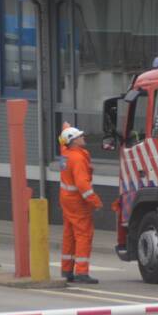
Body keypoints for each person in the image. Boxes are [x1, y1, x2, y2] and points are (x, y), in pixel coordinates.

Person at [59, 122, 103, 284]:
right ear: (73, 141)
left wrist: (66, 128)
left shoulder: (66, 153)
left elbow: (62, 143)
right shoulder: (77, 159)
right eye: (79, 136)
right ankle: (82, 272)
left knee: (69, 234)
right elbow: (83, 185)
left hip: (66, 200)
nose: (83, 137)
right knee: (83, 234)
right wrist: (96, 202)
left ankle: (67, 269)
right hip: (78, 202)